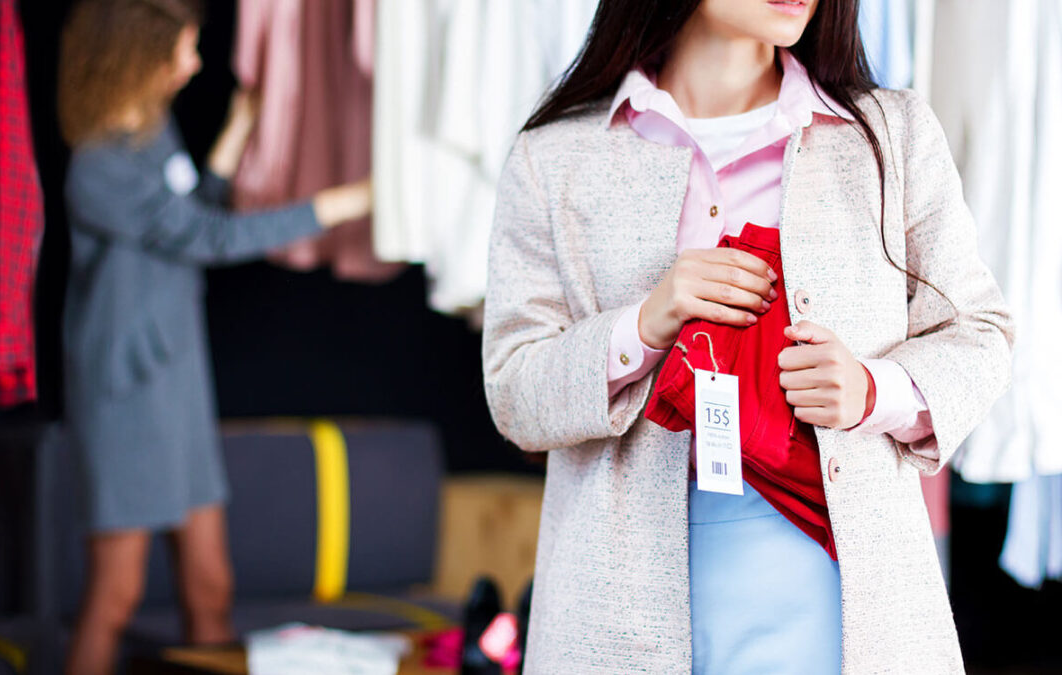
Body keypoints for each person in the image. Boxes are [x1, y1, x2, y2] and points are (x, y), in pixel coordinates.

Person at [482, 0, 1013, 673]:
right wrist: (641, 324)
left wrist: (873, 388)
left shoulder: (891, 134)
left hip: (843, 598)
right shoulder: (554, 157)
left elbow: (981, 333)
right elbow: (513, 392)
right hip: (616, 610)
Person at [57, 1, 369, 673]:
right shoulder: (95, 168)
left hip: (177, 381)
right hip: (124, 393)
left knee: (210, 585)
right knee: (117, 592)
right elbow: (205, 238)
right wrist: (338, 205)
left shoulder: (152, 130)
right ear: (137, 59)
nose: (196, 64)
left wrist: (235, 133)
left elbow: (188, 211)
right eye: (184, 52)